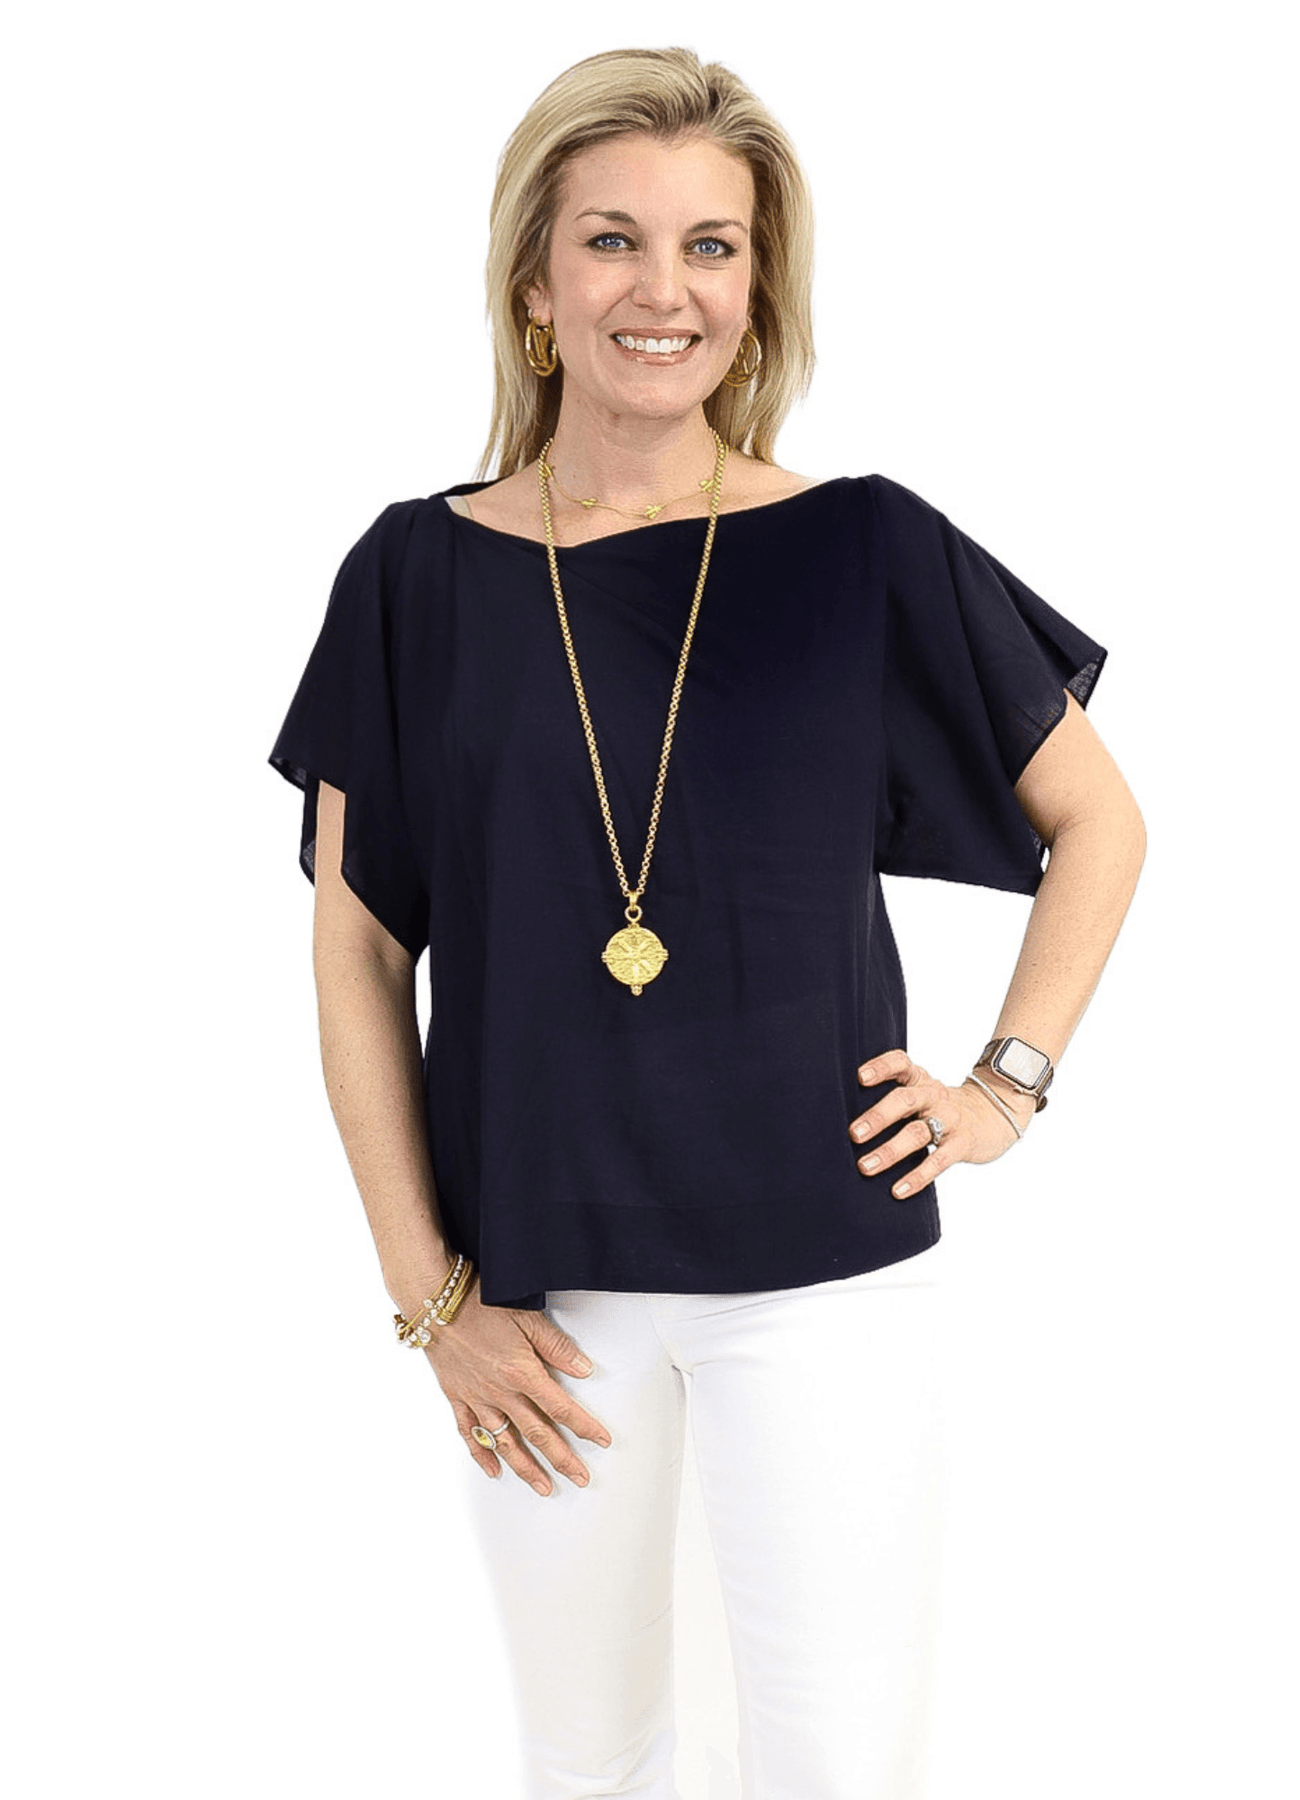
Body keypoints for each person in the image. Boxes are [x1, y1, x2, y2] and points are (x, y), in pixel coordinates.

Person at [267, 45, 1146, 1800]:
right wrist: (428, 1300)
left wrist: (1004, 1086)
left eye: (711, 247)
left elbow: (1099, 820)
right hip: (535, 1287)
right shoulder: (412, 576)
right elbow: (357, 942)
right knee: (585, 1761)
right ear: (534, 284)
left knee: (836, 1767)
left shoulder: (864, 550)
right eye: (611, 240)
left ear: (756, 293)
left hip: (823, 1274)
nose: (660, 290)